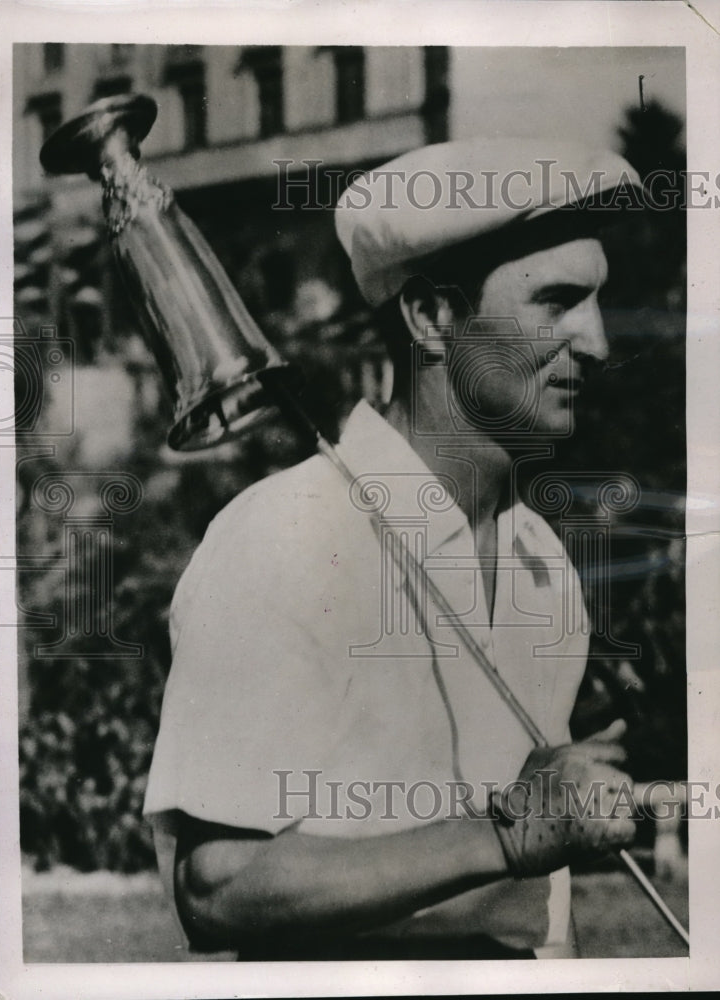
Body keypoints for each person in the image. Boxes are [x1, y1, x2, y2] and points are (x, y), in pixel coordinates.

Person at [144, 137, 643, 960]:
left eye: (596, 301)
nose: (595, 341)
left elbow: (537, 902)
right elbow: (217, 886)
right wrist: (504, 839)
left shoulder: (541, 561)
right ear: (429, 316)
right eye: (556, 302)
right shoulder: (280, 537)